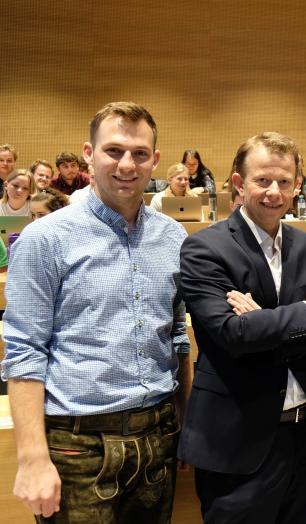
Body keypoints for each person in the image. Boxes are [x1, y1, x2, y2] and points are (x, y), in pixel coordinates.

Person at [1, 101, 191, 522]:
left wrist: (185, 417)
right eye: (114, 150)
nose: (127, 164)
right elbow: (24, 352)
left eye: (140, 153)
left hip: (158, 436)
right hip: (78, 448)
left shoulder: (173, 237)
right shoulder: (45, 239)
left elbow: (177, 333)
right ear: (89, 153)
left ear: (155, 160)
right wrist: (33, 459)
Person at [178, 132, 306, 523]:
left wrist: (263, 323)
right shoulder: (204, 248)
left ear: (297, 186)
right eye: (262, 180)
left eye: (285, 182)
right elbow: (232, 336)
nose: (274, 191)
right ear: (238, 183)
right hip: (237, 438)